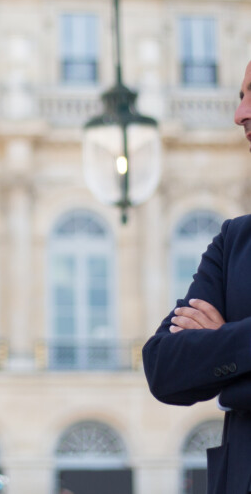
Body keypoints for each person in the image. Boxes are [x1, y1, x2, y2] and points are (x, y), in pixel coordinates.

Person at [142, 60, 251, 494]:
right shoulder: (235, 240)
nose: (240, 114)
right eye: (241, 96)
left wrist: (224, 352)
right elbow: (163, 367)